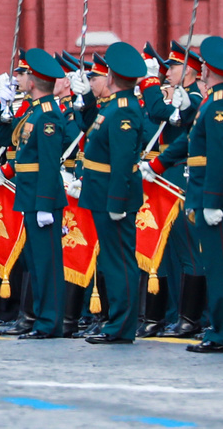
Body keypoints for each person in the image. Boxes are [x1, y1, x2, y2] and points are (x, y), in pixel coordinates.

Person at [151, 34, 223, 353]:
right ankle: (221, 329)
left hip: (213, 191)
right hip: (206, 187)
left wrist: (212, 200)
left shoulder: (220, 104)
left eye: (204, 65)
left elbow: (219, 154)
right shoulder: (215, 100)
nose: (200, 69)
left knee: (219, 267)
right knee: (216, 265)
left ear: (214, 70)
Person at [77, 41, 149, 344]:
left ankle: (121, 326)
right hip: (102, 192)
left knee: (120, 261)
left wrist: (117, 200)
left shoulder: (123, 112)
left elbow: (121, 162)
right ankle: (117, 321)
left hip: (112, 194)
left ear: (112, 77)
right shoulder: (114, 106)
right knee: (113, 259)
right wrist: (84, 97)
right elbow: (91, 131)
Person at [9, 48, 68, 340]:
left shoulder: (46, 115)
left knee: (47, 263)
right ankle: (43, 317)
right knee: (36, 262)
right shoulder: (34, 110)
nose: (20, 78)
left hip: (41, 197)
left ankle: (49, 322)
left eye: (24, 74)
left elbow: (48, 162)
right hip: (30, 194)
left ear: (34, 81)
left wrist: (45, 203)